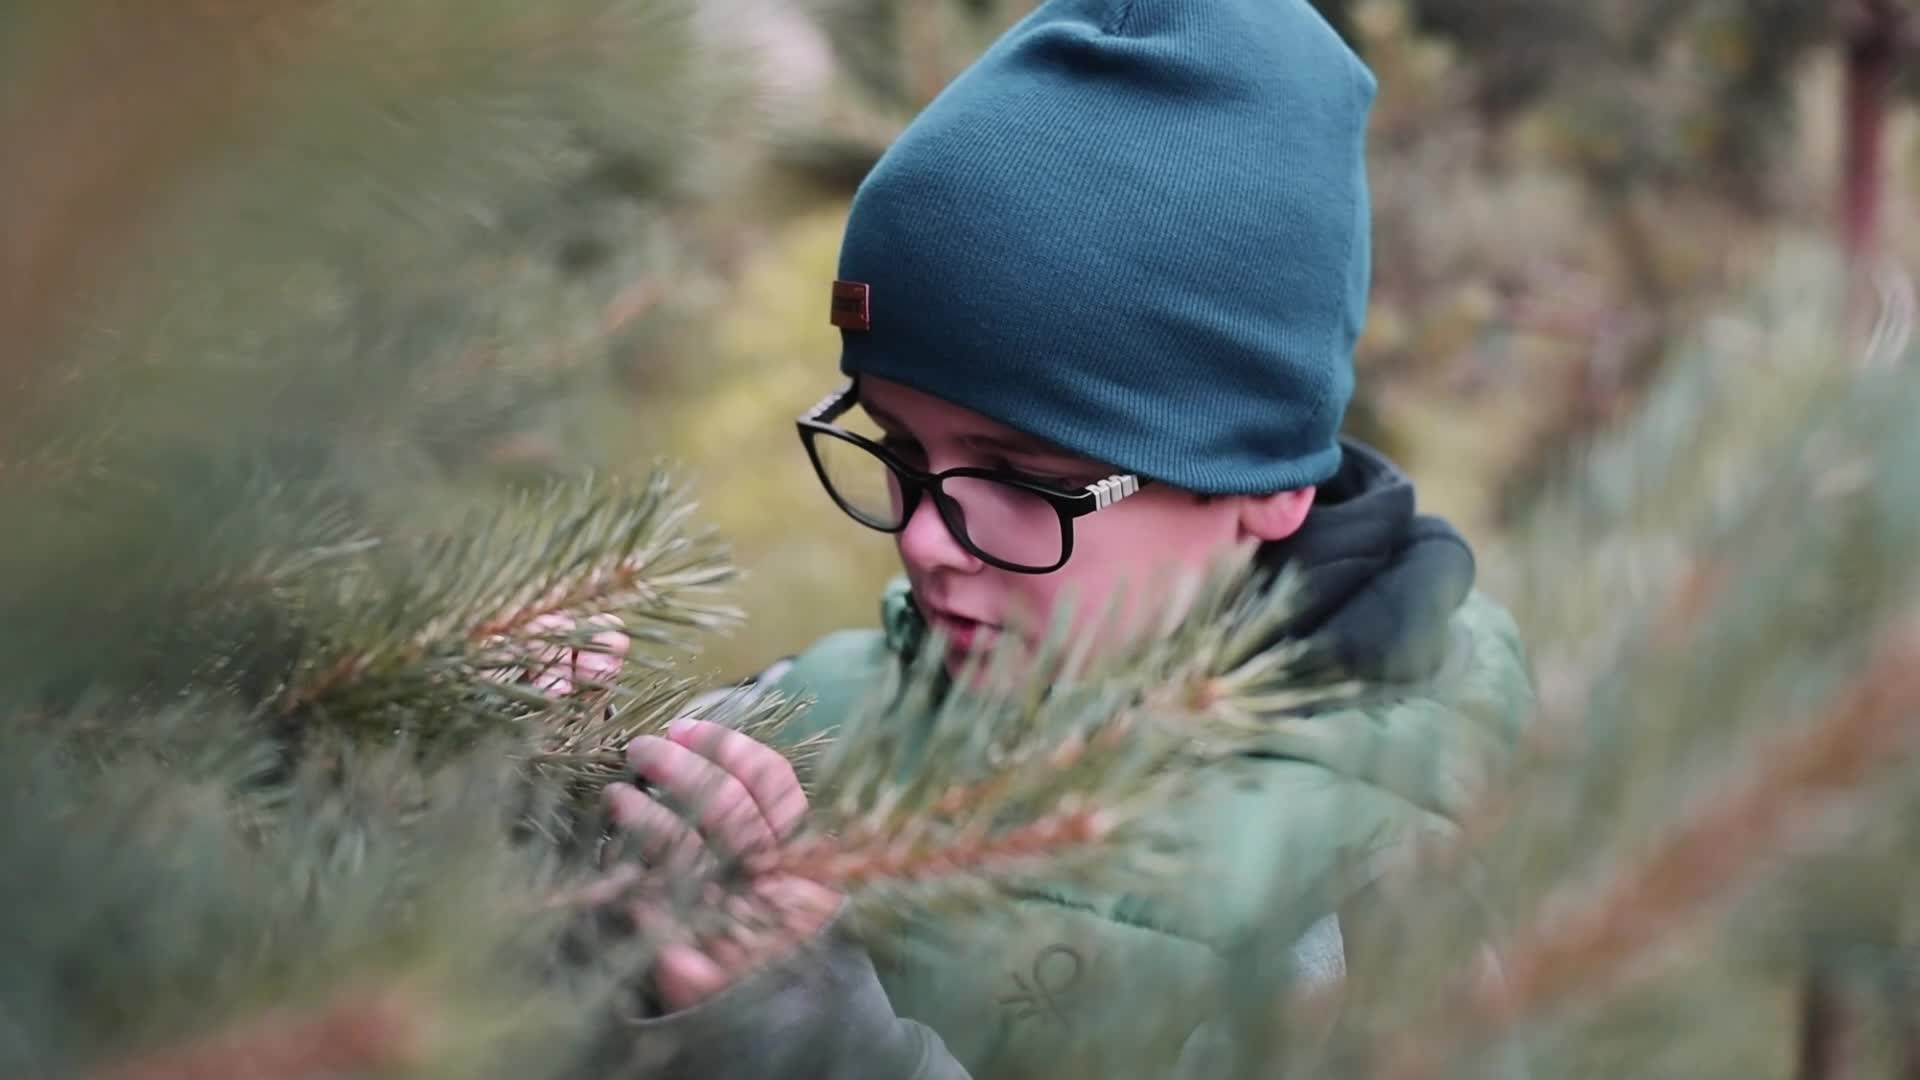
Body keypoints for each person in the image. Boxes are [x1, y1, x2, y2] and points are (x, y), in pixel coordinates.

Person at [596, 0, 1537, 1076]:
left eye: (1017, 477)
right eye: (900, 446)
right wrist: (524, 796)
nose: (922, 538)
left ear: (1264, 484)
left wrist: (799, 1033)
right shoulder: (802, 724)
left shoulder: (1368, 897)